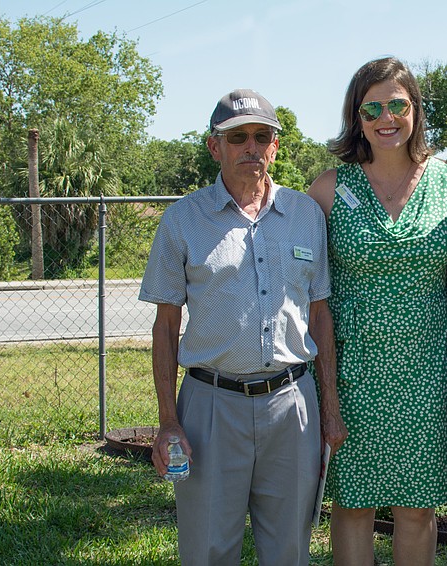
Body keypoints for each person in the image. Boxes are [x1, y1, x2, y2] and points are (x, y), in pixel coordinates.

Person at [139, 88, 346, 566]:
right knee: (208, 548)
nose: (250, 148)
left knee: (290, 548)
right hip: (211, 408)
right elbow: (165, 328)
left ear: (275, 146)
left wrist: (330, 408)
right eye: (237, 138)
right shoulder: (182, 221)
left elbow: (319, 314)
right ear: (215, 147)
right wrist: (169, 422)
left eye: (261, 136)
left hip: (291, 405)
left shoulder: (305, 215)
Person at [306, 57, 447, 566]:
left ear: (415, 110)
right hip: (351, 371)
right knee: (354, 503)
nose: (387, 118)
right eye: (373, 108)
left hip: (426, 371)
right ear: (356, 118)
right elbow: (294, 278)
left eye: (398, 105)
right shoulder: (328, 188)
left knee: (415, 508)